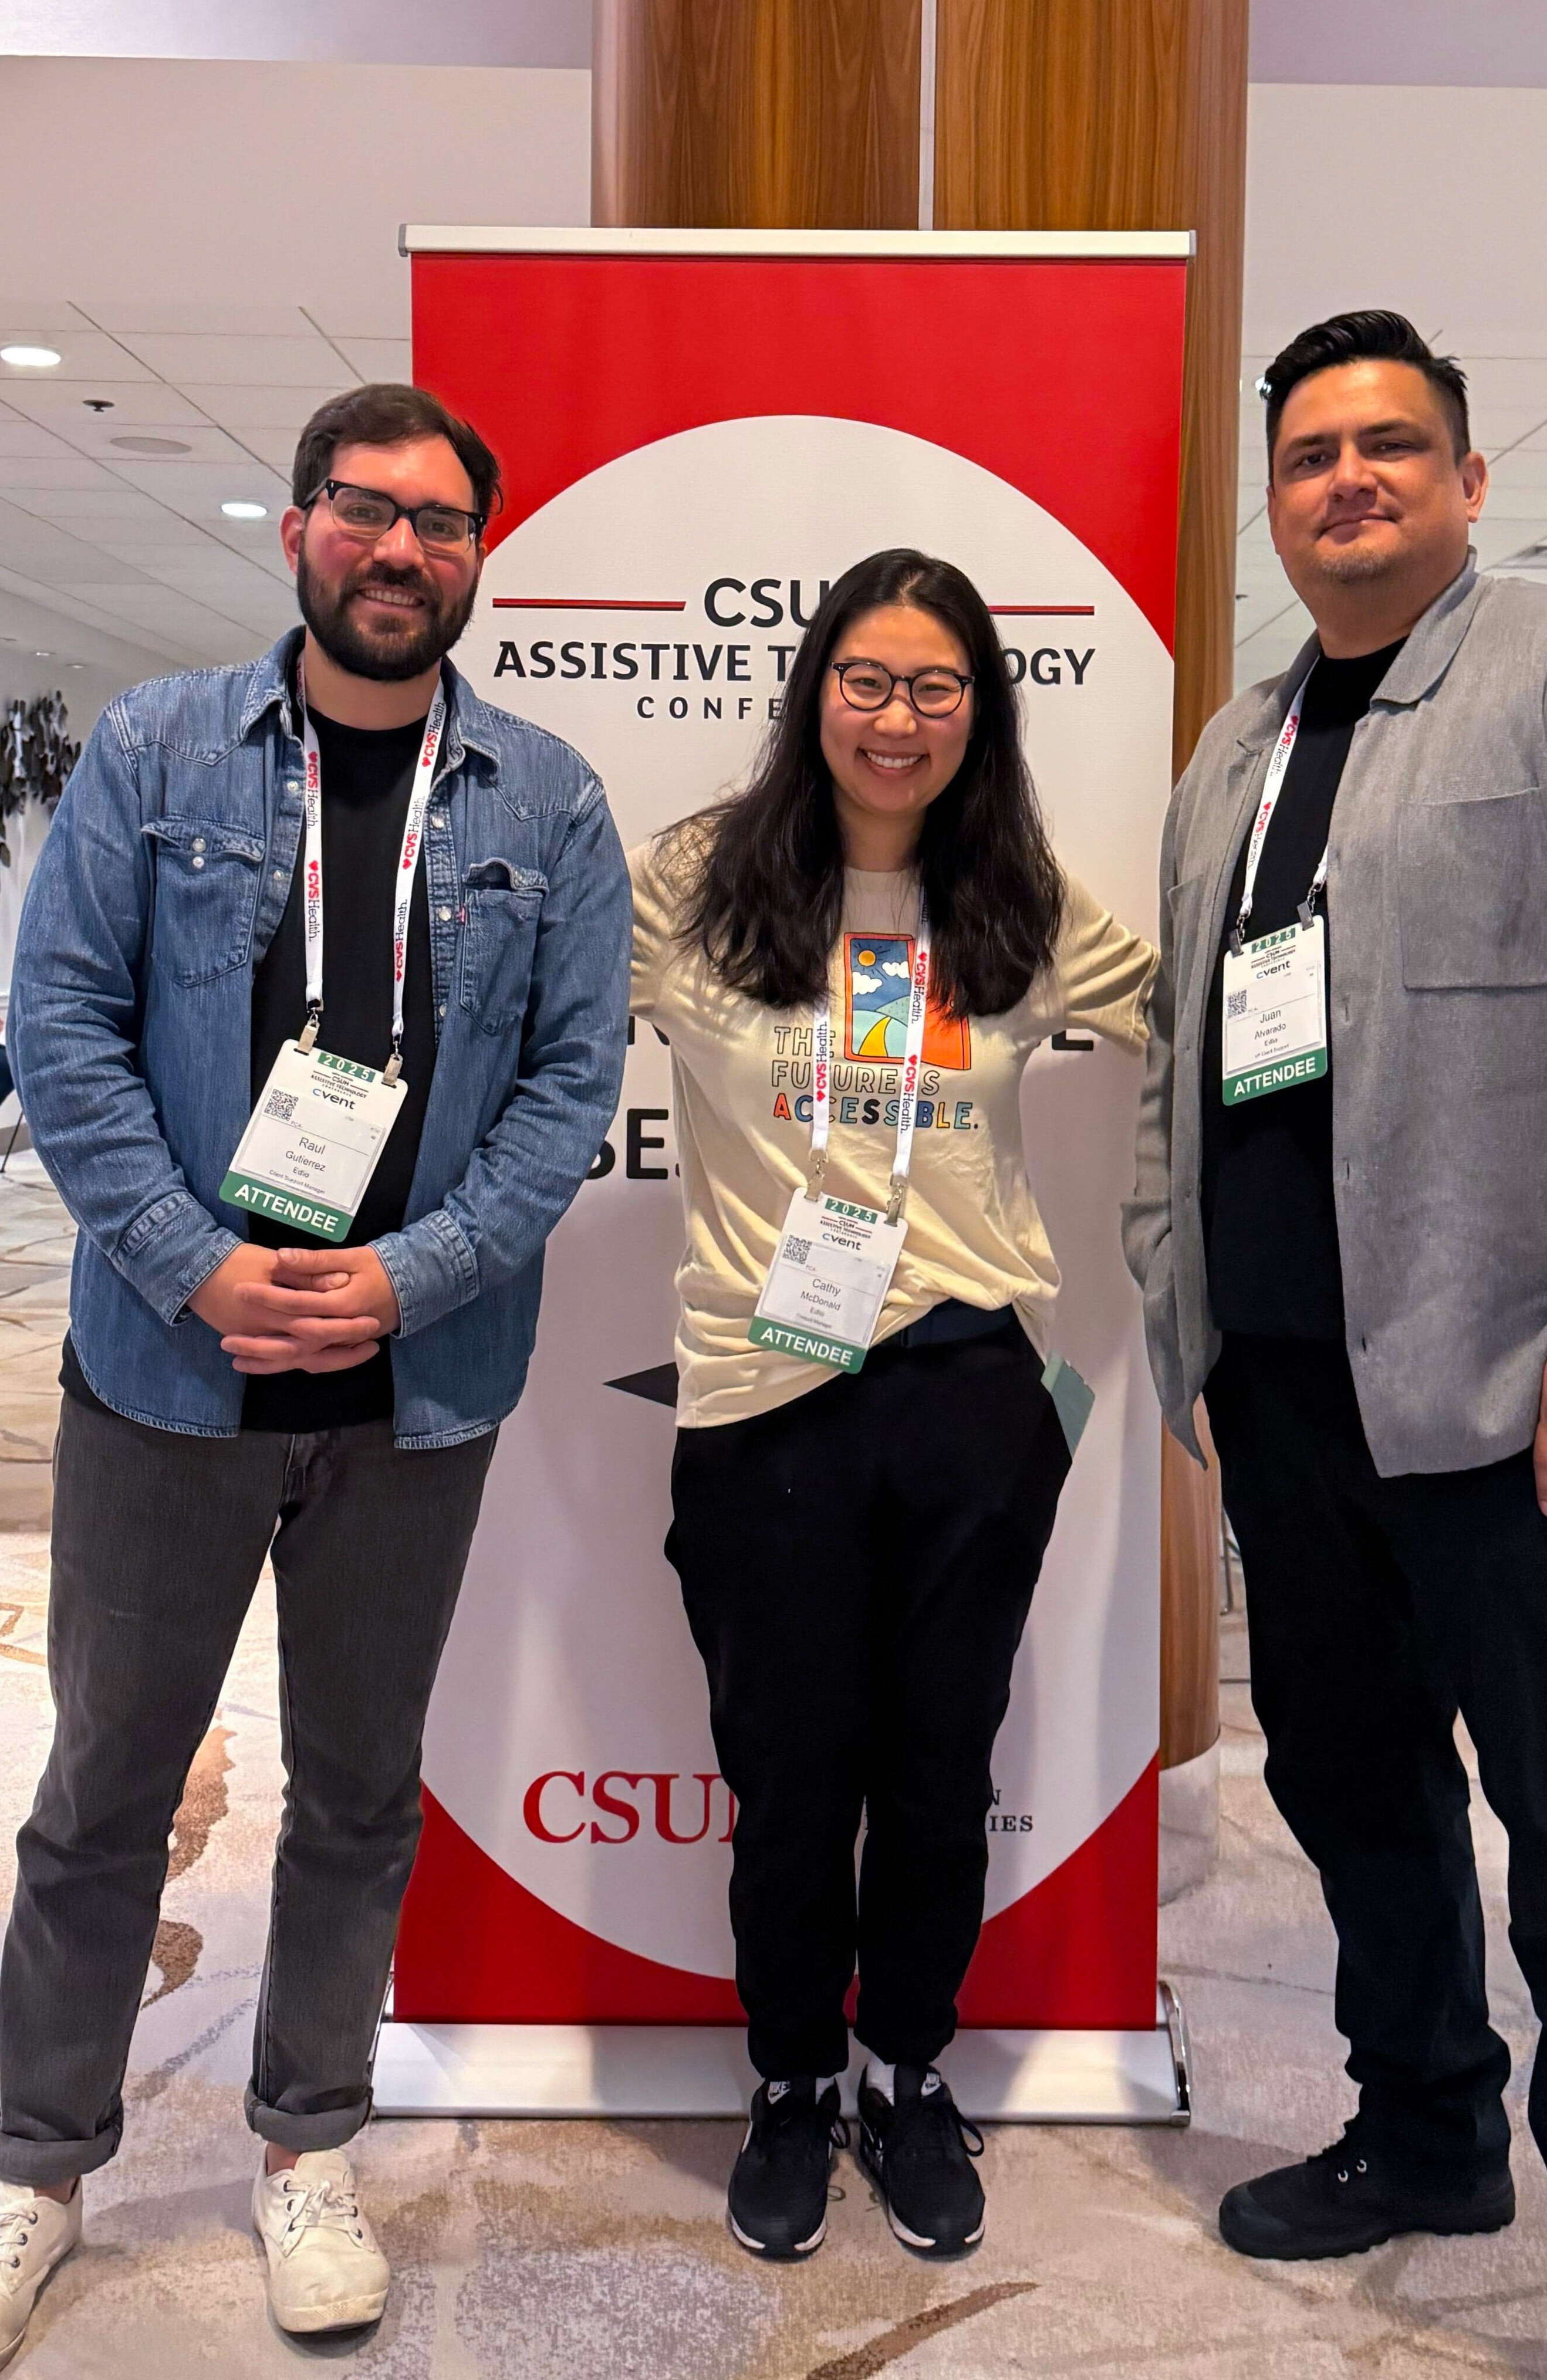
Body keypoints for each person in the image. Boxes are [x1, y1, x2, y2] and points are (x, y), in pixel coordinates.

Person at [1125, 310, 1547, 2380]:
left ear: (1468, 481)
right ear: (1278, 503)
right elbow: (1185, 1062)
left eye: (1390, 447)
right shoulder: (1237, 745)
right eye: (1309, 456)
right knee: (1354, 1793)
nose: (1347, 483)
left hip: (1525, 1400)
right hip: (1297, 1392)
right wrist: (1190, 1333)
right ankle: (1423, 2136)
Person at [0, 383, 630, 2361]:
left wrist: (402, 1278)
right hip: (166, 1381)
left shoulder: (544, 797)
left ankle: (306, 2146)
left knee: (358, 1791)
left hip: (408, 1392)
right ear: (296, 530)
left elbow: (568, 1091)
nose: (400, 551)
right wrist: (199, 1269)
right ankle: (33, 2164)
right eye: (366, 511)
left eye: (441, 525)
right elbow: (65, 1030)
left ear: (474, 561)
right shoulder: (158, 748)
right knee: (106, 1787)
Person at [633, 548, 1154, 2262]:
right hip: (760, 1382)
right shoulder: (695, 883)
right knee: (787, 1774)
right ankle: (789, 2082)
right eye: (867, 679)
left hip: (961, 1380)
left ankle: (902, 2071)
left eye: (938, 687)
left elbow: (1192, 1015)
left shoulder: (1013, 896)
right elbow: (523, 1022)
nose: (898, 717)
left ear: (977, 713)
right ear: (812, 692)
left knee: (938, 1766)